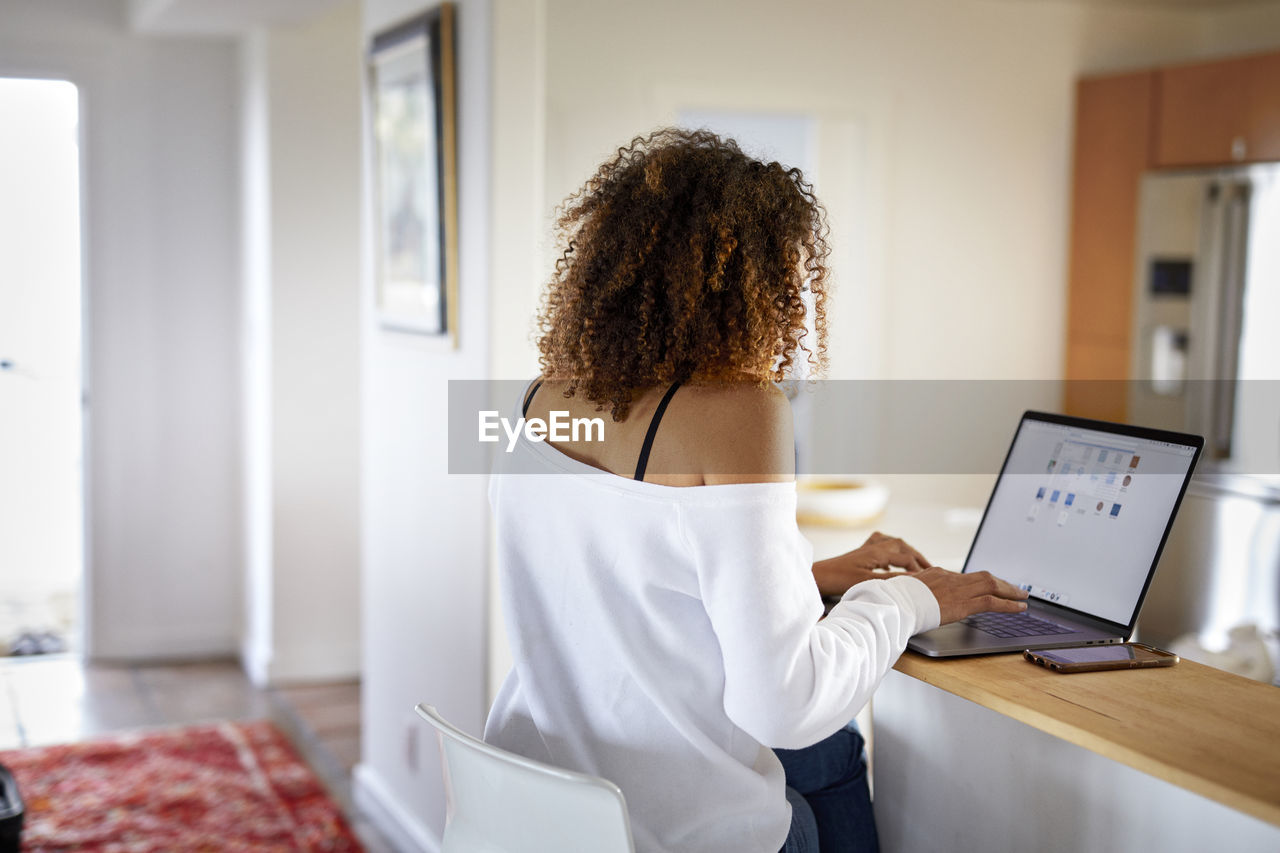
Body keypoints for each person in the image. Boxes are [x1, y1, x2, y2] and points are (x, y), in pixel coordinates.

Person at [483, 128, 1028, 853]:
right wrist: (912, 598)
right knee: (823, 740)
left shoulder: (532, 397)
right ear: (750, 284)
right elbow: (785, 705)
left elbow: (621, 581)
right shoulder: (739, 410)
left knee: (827, 754)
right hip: (664, 831)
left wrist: (807, 580)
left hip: (543, 807)